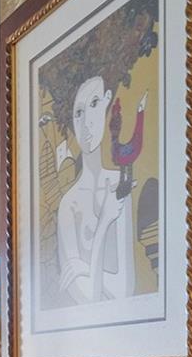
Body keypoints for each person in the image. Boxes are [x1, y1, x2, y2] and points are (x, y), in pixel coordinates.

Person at [55, 76, 141, 304]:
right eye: (78, 113)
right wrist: (104, 223)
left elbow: (124, 290)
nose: (86, 124)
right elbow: (87, 297)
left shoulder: (119, 184)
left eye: (93, 104)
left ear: (106, 102)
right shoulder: (68, 205)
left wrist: (85, 268)